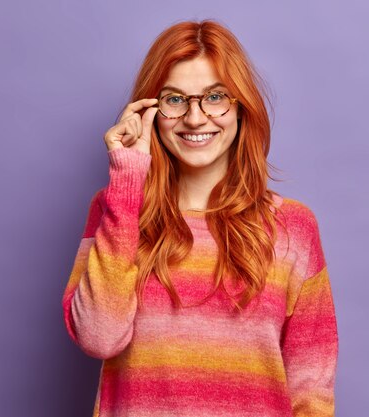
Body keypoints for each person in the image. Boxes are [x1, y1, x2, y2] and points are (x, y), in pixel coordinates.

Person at [61, 19, 339, 417]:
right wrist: (127, 181)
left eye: (214, 97)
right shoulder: (115, 211)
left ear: (241, 107)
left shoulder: (292, 227)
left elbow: (311, 386)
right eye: (175, 100)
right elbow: (100, 337)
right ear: (150, 112)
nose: (195, 118)